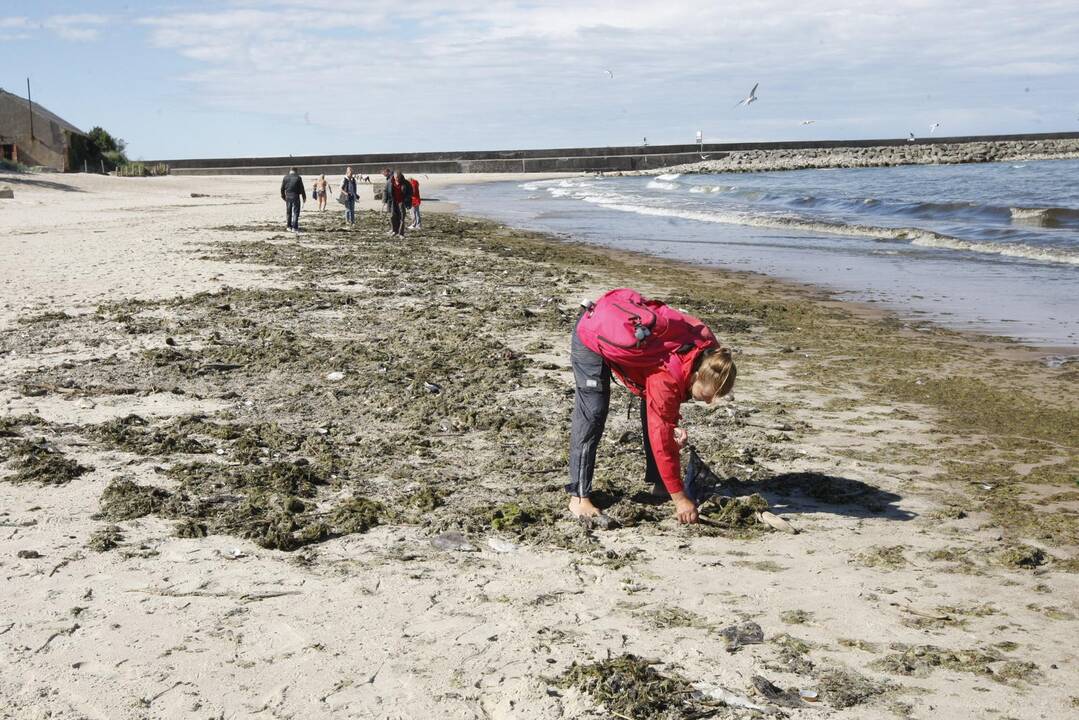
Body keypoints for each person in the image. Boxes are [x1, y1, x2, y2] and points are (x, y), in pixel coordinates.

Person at [567, 288, 736, 524]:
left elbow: (666, 411)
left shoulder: (711, 352)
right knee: (593, 411)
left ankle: (660, 485)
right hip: (591, 334)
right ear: (697, 375)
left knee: (660, 416)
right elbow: (661, 437)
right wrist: (681, 500)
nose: (709, 402)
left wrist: (672, 424)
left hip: (637, 343)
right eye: (706, 395)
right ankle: (578, 496)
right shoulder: (666, 379)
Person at [280, 167, 306, 232]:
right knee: (295, 212)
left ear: (290, 171)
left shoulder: (285, 177)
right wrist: (304, 197)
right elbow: (302, 189)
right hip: (295, 196)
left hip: (288, 196)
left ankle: (289, 226)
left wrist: (283, 196)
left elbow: (282, 188)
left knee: (289, 212)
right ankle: (294, 227)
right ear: (296, 171)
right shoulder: (298, 177)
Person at [389, 170, 413, 237]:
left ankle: (401, 233)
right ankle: (394, 231)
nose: (397, 179)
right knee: (392, 217)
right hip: (393, 202)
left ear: (401, 176)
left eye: (399, 177)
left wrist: (406, 199)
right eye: (396, 177)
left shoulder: (406, 183)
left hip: (402, 202)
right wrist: (385, 200)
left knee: (402, 218)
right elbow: (386, 190)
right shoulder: (390, 182)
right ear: (394, 176)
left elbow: (411, 192)